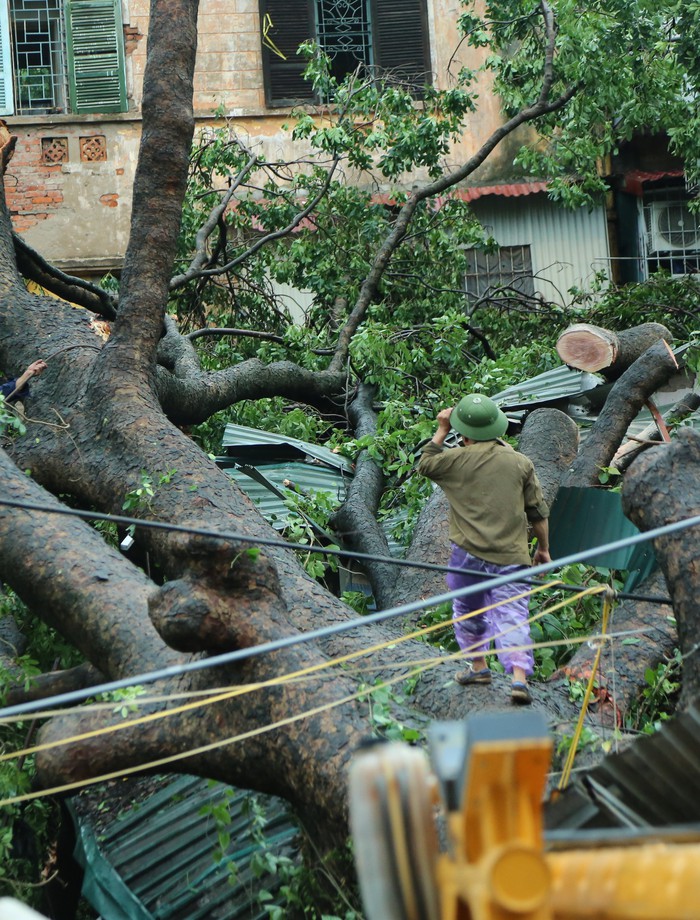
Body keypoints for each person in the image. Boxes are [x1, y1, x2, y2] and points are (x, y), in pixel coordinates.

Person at [417, 393, 551, 705]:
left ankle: (479, 667)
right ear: (498, 427)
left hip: (467, 556)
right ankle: (519, 678)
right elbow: (538, 513)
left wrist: (440, 428)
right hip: (510, 556)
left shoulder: (453, 460)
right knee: (513, 614)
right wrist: (543, 548)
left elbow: (425, 463)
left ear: (462, 432)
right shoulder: (520, 463)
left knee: (468, 609)